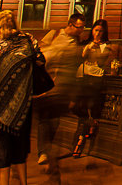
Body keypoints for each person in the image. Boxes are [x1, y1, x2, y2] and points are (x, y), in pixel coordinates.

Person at [0, 10, 44, 185]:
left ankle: (3, 183)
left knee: (0, 147)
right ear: (14, 23)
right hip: (22, 105)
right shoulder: (29, 41)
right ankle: (23, 181)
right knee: (20, 148)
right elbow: (41, 61)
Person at [32, 13, 86, 175]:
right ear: (70, 25)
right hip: (47, 87)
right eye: (79, 27)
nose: (81, 30)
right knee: (46, 121)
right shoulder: (54, 35)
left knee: (53, 123)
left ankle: (47, 154)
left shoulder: (78, 44)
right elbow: (41, 56)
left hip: (61, 90)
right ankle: (44, 153)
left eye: (83, 27)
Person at [70, 19, 118, 158]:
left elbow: (102, 62)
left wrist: (100, 50)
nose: (98, 33)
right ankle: (92, 124)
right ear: (92, 30)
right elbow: (80, 57)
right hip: (82, 77)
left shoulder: (106, 45)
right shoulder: (86, 43)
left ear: (104, 32)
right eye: (96, 30)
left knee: (89, 107)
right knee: (77, 107)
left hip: (96, 78)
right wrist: (89, 47)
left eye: (101, 31)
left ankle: (80, 142)